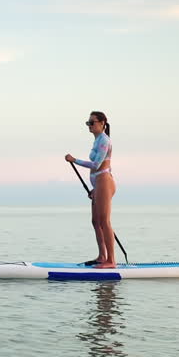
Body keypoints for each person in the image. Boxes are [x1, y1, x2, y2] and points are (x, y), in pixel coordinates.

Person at [64, 111, 116, 268]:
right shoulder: (97, 140)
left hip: (104, 181)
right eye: (88, 123)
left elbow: (96, 165)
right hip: (98, 184)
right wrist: (95, 189)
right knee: (96, 221)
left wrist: (74, 160)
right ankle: (102, 256)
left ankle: (111, 261)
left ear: (102, 123)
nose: (89, 125)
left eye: (92, 122)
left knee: (104, 221)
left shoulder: (104, 140)